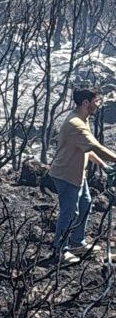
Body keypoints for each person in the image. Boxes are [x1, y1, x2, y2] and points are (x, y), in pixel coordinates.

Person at [47, 87, 116, 262]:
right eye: (96, 101)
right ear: (86, 102)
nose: (99, 104)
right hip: (66, 174)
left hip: (78, 173)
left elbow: (85, 148)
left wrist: (103, 165)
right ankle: (60, 250)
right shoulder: (75, 124)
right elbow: (95, 147)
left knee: (85, 204)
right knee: (69, 212)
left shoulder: (82, 119)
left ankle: (77, 242)